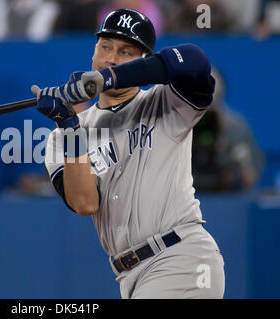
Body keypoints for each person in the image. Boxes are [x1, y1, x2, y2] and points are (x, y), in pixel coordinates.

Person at [32, 9, 225, 298]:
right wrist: (69, 126)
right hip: (130, 275)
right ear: (93, 52)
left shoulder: (166, 102)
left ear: (145, 62)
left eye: (126, 51)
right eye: (105, 47)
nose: (111, 57)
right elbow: (84, 202)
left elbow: (195, 59)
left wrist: (108, 79)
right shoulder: (63, 138)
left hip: (182, 258)